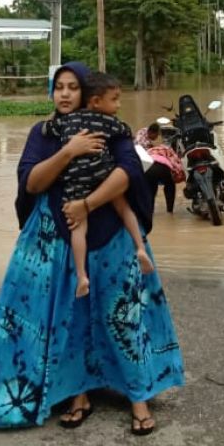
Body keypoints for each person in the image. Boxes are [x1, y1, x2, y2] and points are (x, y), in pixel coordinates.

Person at [0, 62, 184, 436]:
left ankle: (137, 395)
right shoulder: (44, 132)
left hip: (109, 232)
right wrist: (69, 151)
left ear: (88, 94)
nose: (65, 94)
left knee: (123, 316)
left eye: (73, 87)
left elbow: (129, 173)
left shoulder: (107, 125)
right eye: (59, 87)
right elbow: (32, 183)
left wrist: (86, 205)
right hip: (58, 236)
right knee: (70, 315)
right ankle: (78, 393)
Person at [50, 72, 153, 297]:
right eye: (115, 99)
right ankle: (140, 248)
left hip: (76, 179)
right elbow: (126, 133)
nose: (118, 104)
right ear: (96, 101)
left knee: (78, 226)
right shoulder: (109, 122)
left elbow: (50, 130)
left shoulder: (68, 120)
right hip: (103, 175)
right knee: (124, 208)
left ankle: (81, 275)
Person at [137, 123, 183, 214]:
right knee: (170, 184)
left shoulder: (144, 135)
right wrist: (179, 173)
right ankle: (170, 210)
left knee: (151, 187)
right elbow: (175, 162)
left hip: (148, 167)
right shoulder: (166, 149)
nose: (158, 137)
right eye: (157, 135)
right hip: (162, 168)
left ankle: (150, 210)